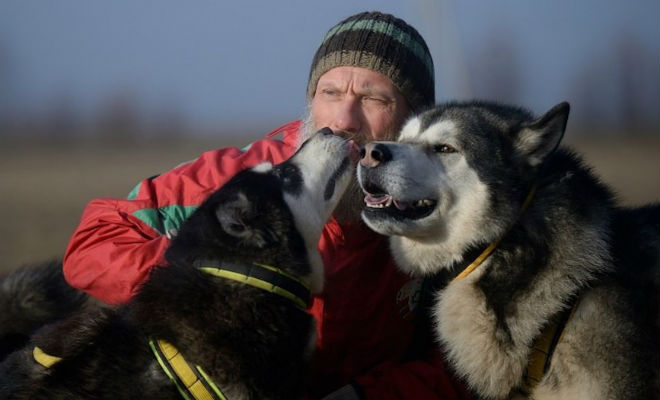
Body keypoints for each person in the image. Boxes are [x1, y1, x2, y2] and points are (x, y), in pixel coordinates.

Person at [63, 11, 470, 400]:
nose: (344, 118)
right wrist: (212, 277)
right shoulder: (245, 186)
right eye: (330, 93)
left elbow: (464, 361)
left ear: (413, 122)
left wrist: (366, 396)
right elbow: (93, 242)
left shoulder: (444, 215)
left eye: (372, 98)